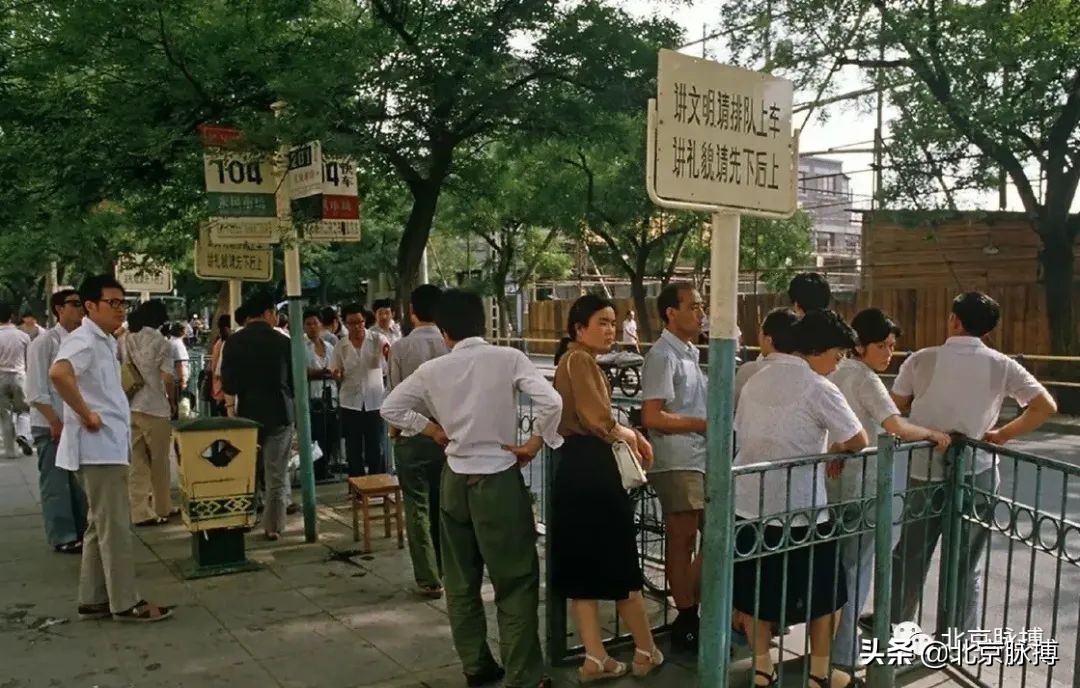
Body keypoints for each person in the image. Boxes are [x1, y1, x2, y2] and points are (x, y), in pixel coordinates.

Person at [381, 288, 562, 688]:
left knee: (461, 582)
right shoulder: (508, 358)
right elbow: (552, 402)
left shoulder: (434, 370)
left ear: (445, 332)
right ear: (483, 323)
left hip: (454, 482)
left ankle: (476, 665)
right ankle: (524, 676)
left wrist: (431, 429)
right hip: (497, 479)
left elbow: (390, 408)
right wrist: (534, 442)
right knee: (514, 581)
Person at [885, 292, 1056, 635]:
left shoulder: (921, 359)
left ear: (955, 321)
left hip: (925, 468)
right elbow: (1044, 406)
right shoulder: (1002, 365)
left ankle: (894, 628)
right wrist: (1002, 434)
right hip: (977, 468)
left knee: (910, 555)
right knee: (965, 563)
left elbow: (895, 407)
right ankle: (956, 638)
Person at [732, 309, 868, 688]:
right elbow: (859, 440)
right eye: (837, 355)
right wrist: (837, 447)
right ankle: (820, 673)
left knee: (756, 591)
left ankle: (762, 669)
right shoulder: (819, 387)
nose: (838, 365)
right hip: (801, 510)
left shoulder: (756, 379)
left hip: (749, 503)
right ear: (818, 349)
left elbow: (742, 432)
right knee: (826, 596)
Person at [824, 308, 951, 670]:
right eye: (881, 345)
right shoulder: (864, 378)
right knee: (856, 572)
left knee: (840, 570)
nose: (888, 353)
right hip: (865, 486)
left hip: (836, 481)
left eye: (892, 346)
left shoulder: (835, 371)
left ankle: (830, 649)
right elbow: (895, 424)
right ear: (860, 345)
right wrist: (930, 433)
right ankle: (844, 654)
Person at [551, 293, 664, 682]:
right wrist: (633, 435)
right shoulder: (580, 360)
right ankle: (646, 649)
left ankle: (596, 657)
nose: (610, 329)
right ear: (578, 328)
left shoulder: (569, 360)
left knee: (583, 569)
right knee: (620, 563)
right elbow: (599, 421)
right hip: (595, 469)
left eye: (613, 322)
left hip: (574, 470)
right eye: (602, 322)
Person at [48, 274, 173, 622]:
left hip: (106, 448)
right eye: (112, 303)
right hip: (97, 451)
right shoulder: (85, 340)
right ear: (90, 306)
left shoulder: (103, 339)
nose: (120, 310)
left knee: (98, 525)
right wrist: (86, 413)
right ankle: (124, 602)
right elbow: (58, 374)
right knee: (115, 527)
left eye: (123, 303)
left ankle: (94, 598)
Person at [639, 284, 707, 652]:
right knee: (681, 539)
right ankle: (686, 613)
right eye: (693, 306)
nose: (701, 313)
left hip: (699, 457)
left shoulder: (690, 353)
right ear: (670, 312)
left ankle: (691, 605)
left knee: (710, 536)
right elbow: (652, 415)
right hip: (677, 459)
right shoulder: (663, 355)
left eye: (702, 306)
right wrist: (700, 424)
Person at [387, 285, 451, 598]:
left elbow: (395, 395)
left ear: (412, 310)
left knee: (417, 507)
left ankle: (428, 577)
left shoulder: (399, 348)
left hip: (412, 435)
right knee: (445, 505)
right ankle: (447, 567)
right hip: (448, 436)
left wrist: (395, 431)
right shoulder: (452, 346)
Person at [221, 292, 296, 541]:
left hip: (248, 414)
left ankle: (245, 519)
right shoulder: (284, 342)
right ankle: (273, 526)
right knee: (276, 475)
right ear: (267, 313)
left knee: (247, 471)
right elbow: (295, 382)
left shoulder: (233, 342)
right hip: (280, 413)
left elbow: (229, 385)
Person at [25, 289, 87, 553]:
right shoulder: (45, 342)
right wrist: (54, 421)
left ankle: (82, 529)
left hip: (77, 421)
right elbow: (36, 390)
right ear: (59, 309)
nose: (80, 309)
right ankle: (63, 536)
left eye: (82, 304)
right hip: (52, 422)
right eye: (74, 304)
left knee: (78, 483)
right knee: (56, 483)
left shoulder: (84, 340)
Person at [122, 300, 177, 526]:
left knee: (137, 461)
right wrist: (172, 401)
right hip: (155, 407)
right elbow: (167, 378)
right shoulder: (162, 343)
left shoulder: (125, 339)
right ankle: (162, 507)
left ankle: (139, 510)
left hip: (131, 404)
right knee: (159, 461)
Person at [330, 304, 388, 477]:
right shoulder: (341, 346)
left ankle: (377, 482)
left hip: (374, 400)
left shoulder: (378, 339)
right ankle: (356, 487)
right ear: (345, 324)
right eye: (351, 323)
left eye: (359, 322)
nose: (356, 327)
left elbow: (388, 359)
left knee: (375, 445)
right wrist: (337, 374)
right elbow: (335, 368)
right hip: (350, 402)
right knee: (353, 447)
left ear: (365, 321)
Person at [733, 307, 799, 408]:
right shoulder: (806, 374)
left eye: (761, 331)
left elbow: (733, 404)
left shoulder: (749, 371)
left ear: (768, 340)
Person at [303, 308, 339, 481]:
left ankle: (326, 466)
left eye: (315, 323)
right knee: (315, 433)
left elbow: (335, 368)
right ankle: (315, 469)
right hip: (312, 396)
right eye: (308, 324)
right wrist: (319, 373)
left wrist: (330, 373)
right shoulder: (301, 347)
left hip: (330, 395)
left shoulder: (330, 346)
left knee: (330, 432)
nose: (312, 327)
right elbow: (302, 371)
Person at [0, 303, 33, 458]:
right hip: (20, 376)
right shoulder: (23, 336)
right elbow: (30, 359)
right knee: (24, 411)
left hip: (1, 378)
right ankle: (23, 435)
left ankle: (10, 451)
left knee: (5, 414)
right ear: (12, 317)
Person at [207, 314, 231, 417]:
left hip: (217, 391)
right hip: (223, 393)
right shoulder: (225, 344)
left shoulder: (219, 342)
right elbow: (219, 371)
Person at [166, 322, 190, 397]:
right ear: (182, 331)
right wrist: (183, 382)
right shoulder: (178, 345)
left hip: (170, 381)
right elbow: (180, 364)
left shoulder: (169, 342)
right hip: (177, 382)